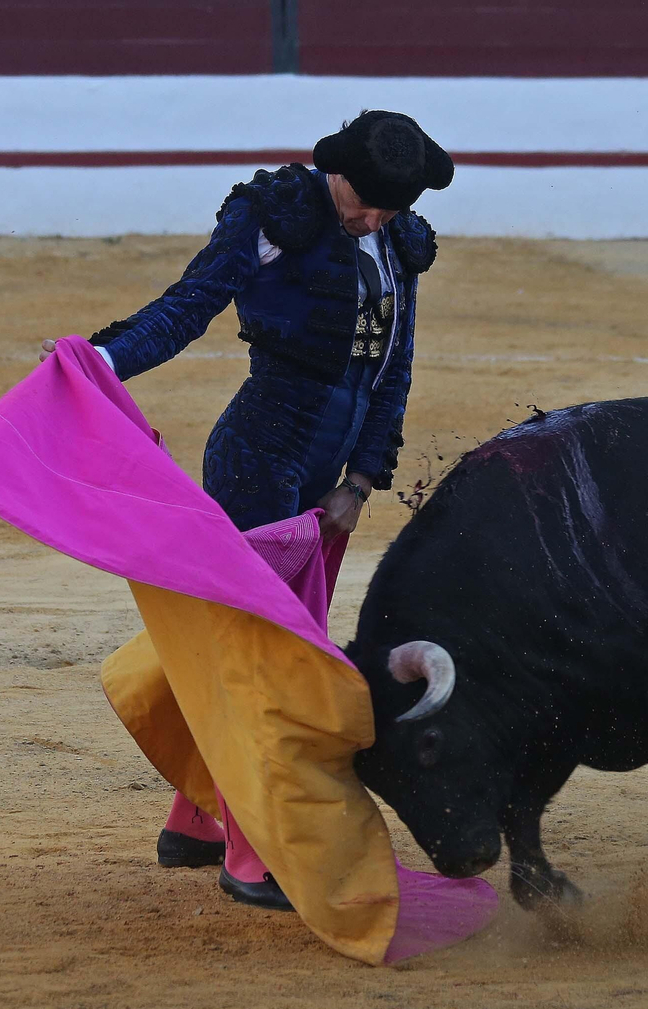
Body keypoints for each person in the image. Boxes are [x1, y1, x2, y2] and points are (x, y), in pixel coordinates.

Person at [38, 110, 454, 909]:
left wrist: (361, 481)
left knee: (243, 639)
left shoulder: (398, 243)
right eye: (363, 203)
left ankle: (194, 816)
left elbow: (392, 372)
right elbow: (189, 306)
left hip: (324, 477)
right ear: (336, 172)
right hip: (257, 457)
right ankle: (251, 846)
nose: (371, 220)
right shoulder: (276, 214)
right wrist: (102, 360)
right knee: (262, 654)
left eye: (386, 211)